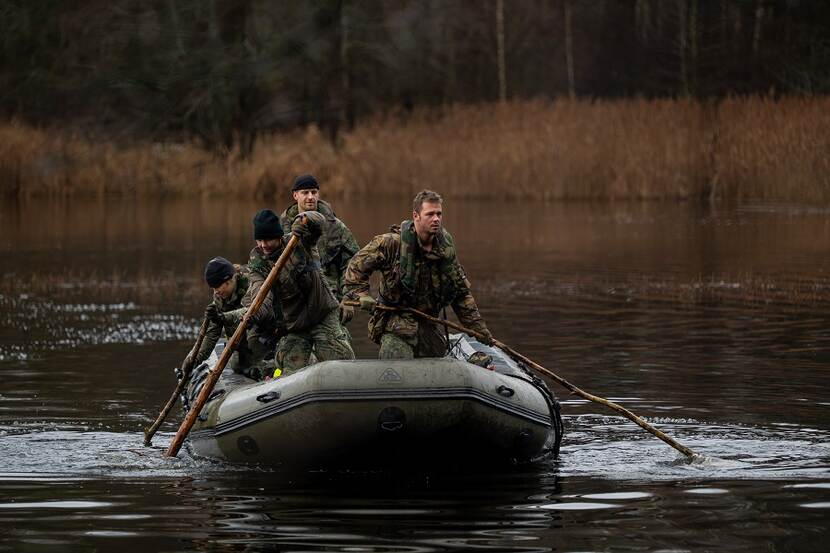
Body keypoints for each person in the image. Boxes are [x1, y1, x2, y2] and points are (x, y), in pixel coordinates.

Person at [343, 189, 494, 359]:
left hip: (427, 324)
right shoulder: (391, 243)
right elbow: (355, 266)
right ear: (416, 216)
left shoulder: (445, 251)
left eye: (439, 214)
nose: (436, 219)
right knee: (396, 360)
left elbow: (460, 294)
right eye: (430, 214)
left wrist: (478, 328)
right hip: (395, 324)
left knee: (438, 365)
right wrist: (362, 294)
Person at [246, 208, 355, 376]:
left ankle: (331, 348)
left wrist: (303, 218)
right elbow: (261, 295)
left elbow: (319, 221)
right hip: (295, 325)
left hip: (322, 314)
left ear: (278, 236)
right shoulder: (257, 262)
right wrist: (254, 314)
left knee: (341, 364)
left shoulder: (300, 240)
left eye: (268, 240)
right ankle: (309, 363)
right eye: (259, 240)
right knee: (290, 371)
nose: (263, 245)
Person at [279, 174, 359, 311]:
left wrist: (348, 298)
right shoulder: (282, 227)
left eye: (314, 192)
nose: (310, 197)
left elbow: (353, 262)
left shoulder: (335, 226)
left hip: (329, 299)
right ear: (295, 195)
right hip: (295, 301)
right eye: (305, 193)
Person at [191, 256, 278, 379]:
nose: (215, 292)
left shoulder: (252, 282)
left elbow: (252, 312)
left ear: (229, 281)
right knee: (236, 363)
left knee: (255, 348)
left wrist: (223, 317)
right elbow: (211, 334)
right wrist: (194, 360)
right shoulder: (220, 299)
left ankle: (274, 367)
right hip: (244, 338)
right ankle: (257, 370)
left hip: (266, 330)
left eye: (217, 287)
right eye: (213, 289)